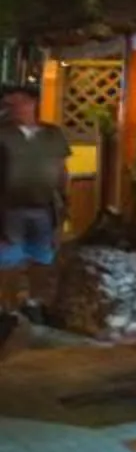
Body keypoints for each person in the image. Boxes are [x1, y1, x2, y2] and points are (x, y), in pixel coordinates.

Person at [0, 83, 70, 343]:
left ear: (32, 103)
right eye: (8, 104)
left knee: (42, 258)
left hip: (44, 205)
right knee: (9, 260)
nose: (13, 108)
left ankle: (34, 302)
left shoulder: (53, 134)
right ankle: (7, 309)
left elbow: (63, 170)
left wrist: (64, 201)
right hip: (9, 208)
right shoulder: (3, 134)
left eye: (17, 103)